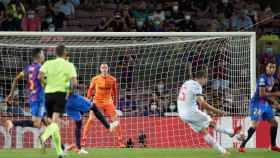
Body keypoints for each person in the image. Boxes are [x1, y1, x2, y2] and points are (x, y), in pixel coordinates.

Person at [177, 70, 241, 154]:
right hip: (190, 112)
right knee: (211, 122)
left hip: (182, 114)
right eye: (206, 79)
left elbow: (191, 100)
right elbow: (202, 103)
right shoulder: (197, 85)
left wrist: (207, 111)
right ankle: (230, 132)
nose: (206, 82)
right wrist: (218, 112)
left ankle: (222, 151)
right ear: (203, 78)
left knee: (203, 131)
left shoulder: (187, 83)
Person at [38, 45, 77, 158]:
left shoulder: (48, 63)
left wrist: (46, 85)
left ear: (55, 53)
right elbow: (74, 83)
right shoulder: (69, 65)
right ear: (65, 53)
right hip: (60, 94)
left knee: (53, 123)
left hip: (48, 94)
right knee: (55, 123)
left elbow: (40, 76)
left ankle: (60, 152)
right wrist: (69, 91)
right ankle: (44, 136)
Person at [239, 60, 280, 152]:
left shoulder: (272, 79)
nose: (272, 69)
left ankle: (273, 145)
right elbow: (261, 94)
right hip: (257, 103)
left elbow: (267, 94)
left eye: (274, 67)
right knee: (255, 125)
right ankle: (242, 146)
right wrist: (276, 94)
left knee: (274, 123)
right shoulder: (262, 78)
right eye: (270, 67)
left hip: (265, 104)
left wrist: (275, 103)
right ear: (266, 68)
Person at [82, 63, 124, 147]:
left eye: (105, 67)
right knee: (90, 119)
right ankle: (83, 141)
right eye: (102, 67)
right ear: (100, 69)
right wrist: (87, 99)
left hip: (108, 102)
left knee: (116, 121)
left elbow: (115, 92)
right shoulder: (95, 79)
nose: (104, 69)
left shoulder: (112, 79)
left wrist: (115, 102)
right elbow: (90, 89)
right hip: (97, 102)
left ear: (108, 69)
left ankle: (120, 142)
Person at [4, 48, 45, 131]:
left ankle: (61, 145)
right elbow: (43, 81)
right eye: (43, 53)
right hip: (40, 99)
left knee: (49, 122)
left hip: (32, 98)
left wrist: (10, 94)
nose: (44, 56)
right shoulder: (41, 68)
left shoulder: (28, 68)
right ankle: (13, 123)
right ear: (40, 55)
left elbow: (16, 79)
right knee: (38, 123)